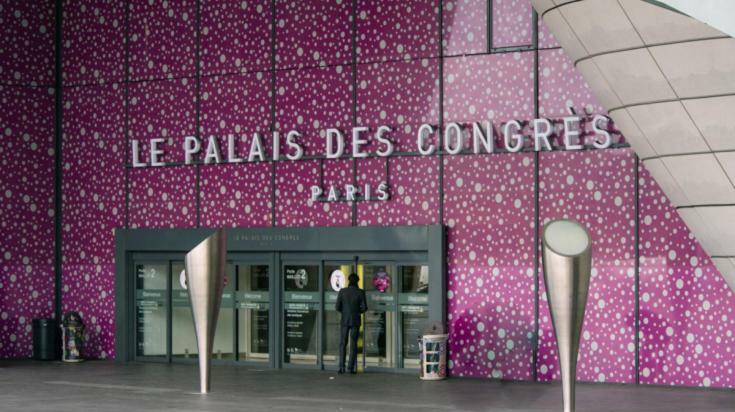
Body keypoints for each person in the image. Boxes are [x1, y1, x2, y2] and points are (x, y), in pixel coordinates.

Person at [335, 273, 367, 374]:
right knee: (353, 344)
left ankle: (341, 367)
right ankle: (351, 368)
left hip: (345, 320)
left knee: (342, 343)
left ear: (348, 280)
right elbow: (364, 307)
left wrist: (345, 312)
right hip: (355, 320)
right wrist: (357, 312)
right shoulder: (360, 292)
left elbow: (337, 307)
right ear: (357, 281)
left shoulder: (342, 291)